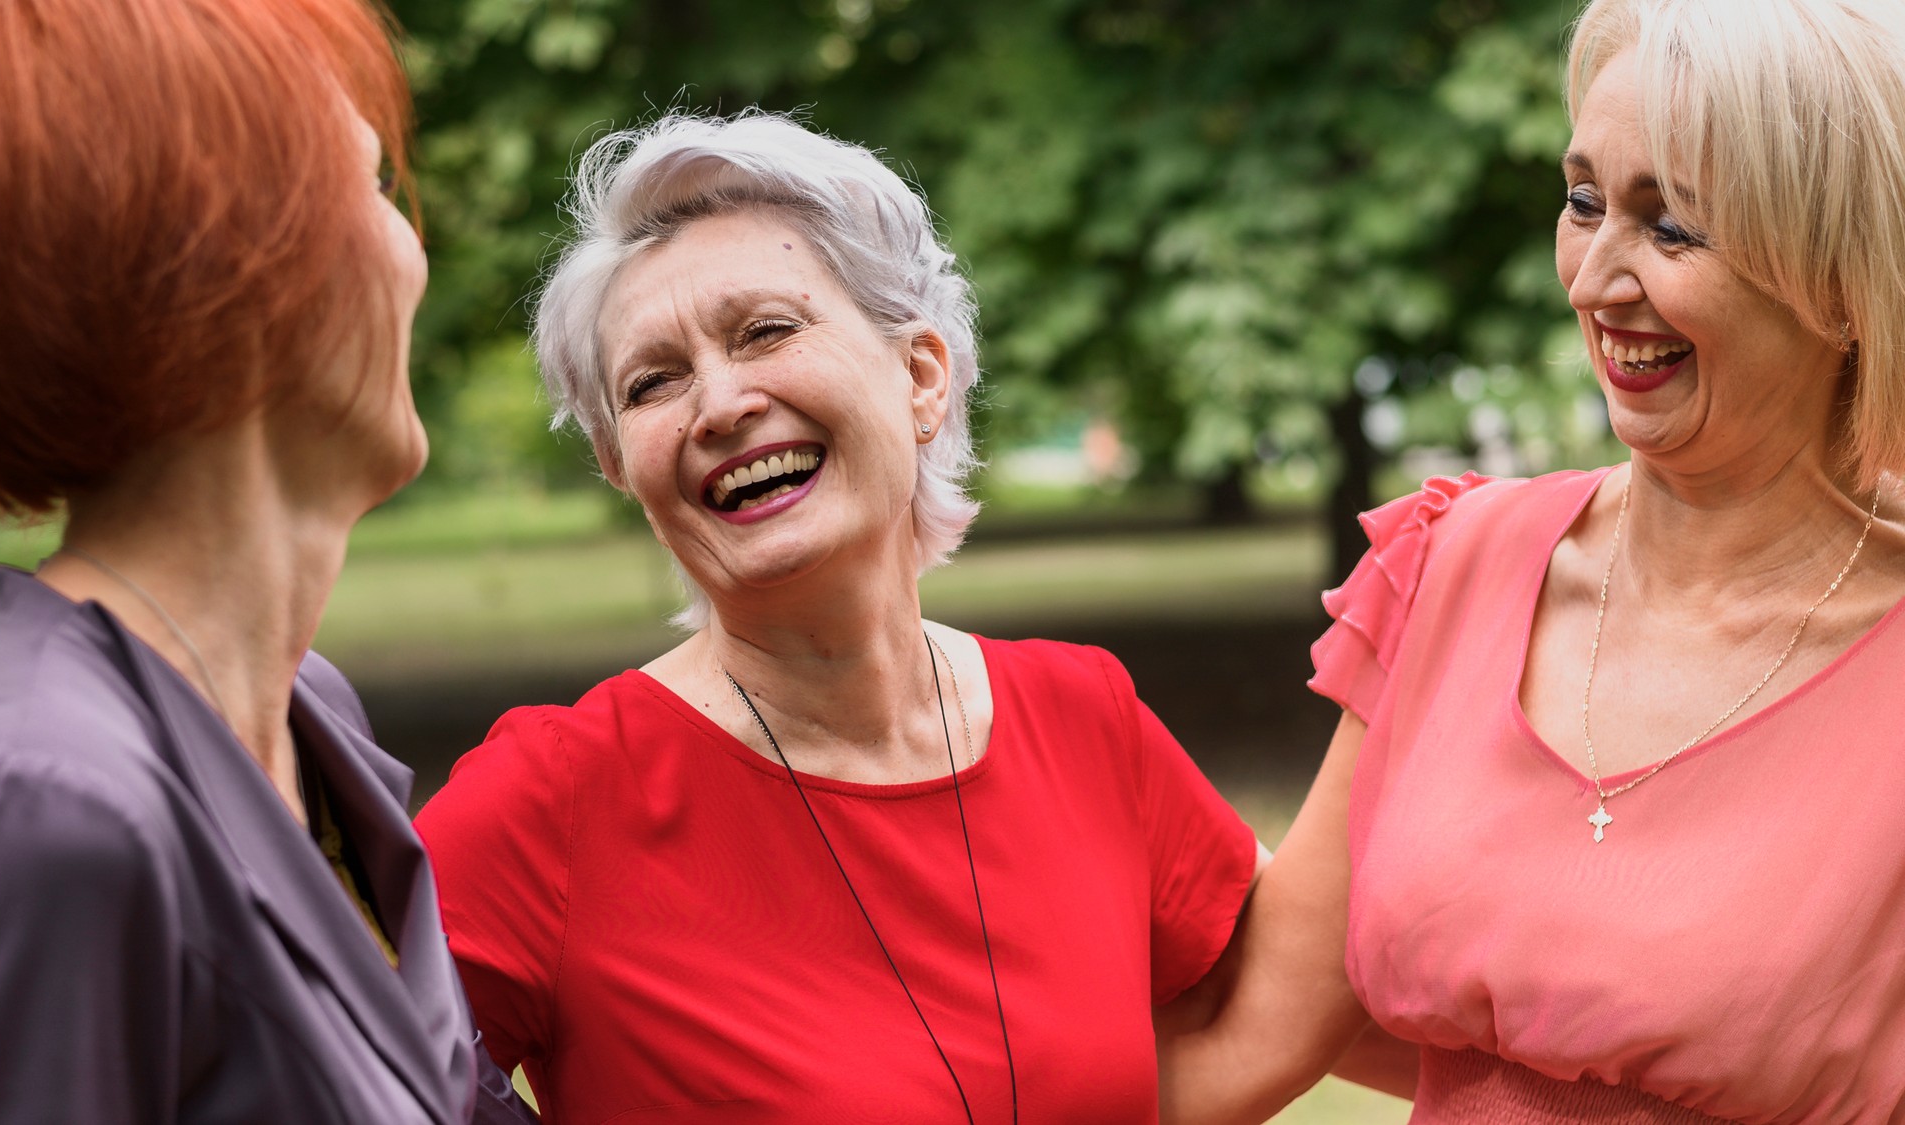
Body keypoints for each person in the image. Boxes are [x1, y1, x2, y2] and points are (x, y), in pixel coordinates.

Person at [412, 111, 1261, 1124]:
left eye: (765, 330)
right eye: (653, 382)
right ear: (618, 465)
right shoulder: (549, 803)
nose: (719, 404)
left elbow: (1294, 1001)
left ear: (920, 377)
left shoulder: (1081, 715)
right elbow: (311, 1071)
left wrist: (1448, 603)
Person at [1159, 0, 1905, 1120]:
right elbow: (1250, 1033)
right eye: (1583, 202)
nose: (1593, 279)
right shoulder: (1451, 564)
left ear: (1841, 280)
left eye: (1671, 229)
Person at [0, 0, 530, 1121]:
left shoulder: (306, 716)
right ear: (238, 267)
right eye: (376, 189)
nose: (413, 258)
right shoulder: (45, 802)